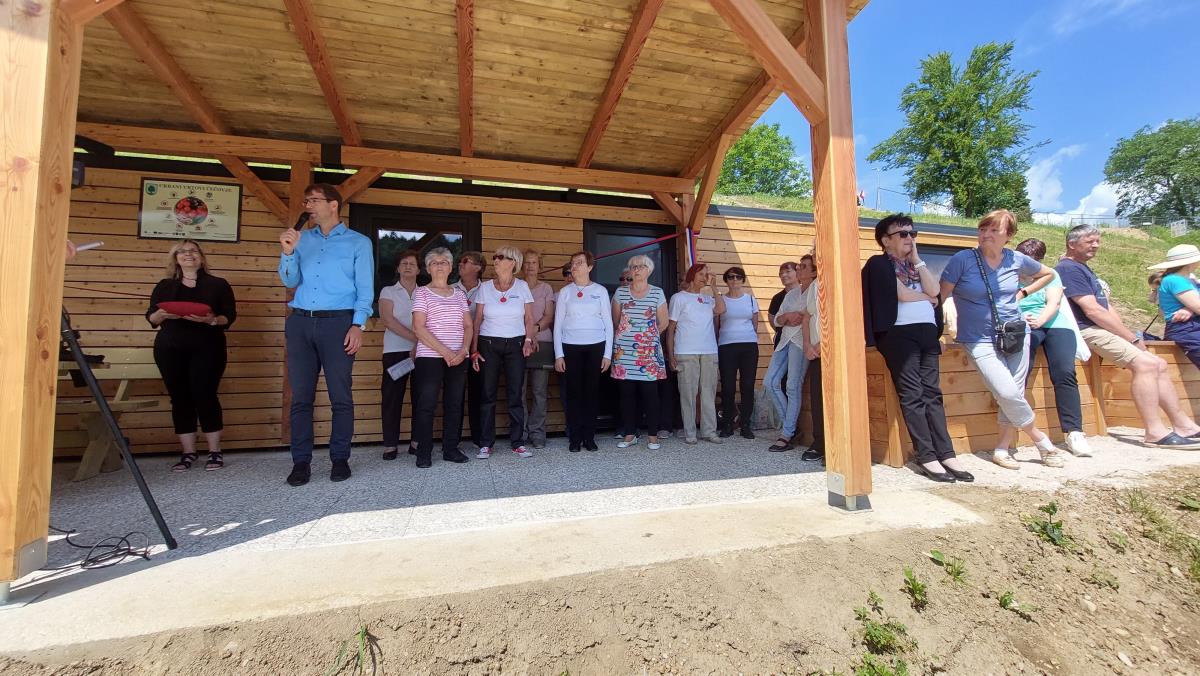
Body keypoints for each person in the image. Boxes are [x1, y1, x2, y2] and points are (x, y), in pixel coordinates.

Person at [940, 209, 1065, 470]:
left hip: (1016, 333)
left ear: (1008, 235)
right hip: (978, 338)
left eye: (993, 230)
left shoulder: (1016, 259)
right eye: (982, 229)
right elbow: (941, 295)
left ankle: (1001, 448)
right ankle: (1040, 440)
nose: (986, 234)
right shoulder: (962, 260)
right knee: (1006, 391)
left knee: (1014, 393)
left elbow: (1049, 274)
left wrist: (1023, 293)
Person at [1057, 226, 1200, 448]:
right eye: (1090, 241)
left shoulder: (1082, 268)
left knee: (1160, 364)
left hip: (1100, 328)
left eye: (1097, 241)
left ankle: (1185, 426)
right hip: (1088, 329)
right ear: (1072, 244)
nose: (1096, 245)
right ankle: (1154, 432)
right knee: (1146, 365)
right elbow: (1092, 311)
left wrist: (1128, 334)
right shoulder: (1068, 268)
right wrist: (1131, 338)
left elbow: (1106, 307)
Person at [861, 215, 969, 481]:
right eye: (902, 234)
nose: (909, 238)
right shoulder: (878, 264)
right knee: (912, 394)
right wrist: (926, 298)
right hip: (898, 334)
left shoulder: (916, 266)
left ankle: (946, 453)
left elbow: (936, 293)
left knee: (933, 393)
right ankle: (927, 455)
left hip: (926, 334)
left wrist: (918, 260)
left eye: (912, 233)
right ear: (886, 240)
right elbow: (902, 294)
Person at [278, 183, 373, 486]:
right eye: (306, 201)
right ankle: (300, 462)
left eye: (314, 200)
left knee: (340, 396)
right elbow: (289, 280)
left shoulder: (359, 243)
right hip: (301, 322)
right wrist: (288, 252)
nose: (308, 206)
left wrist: (358, 325)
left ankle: (340, 459)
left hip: (339, 324)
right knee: (301, 398)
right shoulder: (302, 239)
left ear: (333, 205)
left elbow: (365, 289)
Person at [146, 239, 237, 473]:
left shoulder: (218, 284)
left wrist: (212, 320)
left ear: (201, 257)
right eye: (182, 251)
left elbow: (229, 316)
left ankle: (214, 451)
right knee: (179, 398)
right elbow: (151, 318)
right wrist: (162, 314)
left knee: (205, 395)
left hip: (208, 347)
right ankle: (188, 452)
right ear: (175, 258)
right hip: (169, 348)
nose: (188, 254)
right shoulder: (165, 285)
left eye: (193, 251)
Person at [1014, 238, 1094, 458]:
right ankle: (1015, 426)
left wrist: (1040, 320)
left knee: (1065, 372)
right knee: (1020, 370)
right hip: (1023, 323)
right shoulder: (1010, 275)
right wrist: (1021, 318)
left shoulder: (1050, 275)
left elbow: (1053, 303)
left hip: (1053, 323)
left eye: (1032, 262)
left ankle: (1074, 432)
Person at [471, 246, 537, 459]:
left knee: (515, 394)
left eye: (501, 257)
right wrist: (473, 349)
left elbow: (529, 318)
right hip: (488, 344)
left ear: (513, 262)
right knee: (487, 394)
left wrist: (528, 340)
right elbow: (477, 320)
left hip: (516, 344)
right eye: (495, 257)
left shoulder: (522, 286)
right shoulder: (485, 287)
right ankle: (485, 443)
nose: (496, 260)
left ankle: (518, 442)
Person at [411, 248, 473, 468]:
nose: (439, 265)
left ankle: (450, 449)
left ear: (450, 267)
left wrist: (464, 350)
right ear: (428, 268)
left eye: (444, 262)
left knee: (454, 403)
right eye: (435, 262)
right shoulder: (422, 293)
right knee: (426, 404)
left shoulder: (459, 294)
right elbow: (418, 328)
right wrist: (446, 352)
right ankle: (423, 452)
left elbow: (468, 325)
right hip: (430, 357)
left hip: (458, 357)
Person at [554, 251, 613, 452]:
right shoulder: (565, 292)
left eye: (579, 262)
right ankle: (575, 438)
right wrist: (559, 354)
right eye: (573, 263)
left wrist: (607, 354)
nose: (575, 266)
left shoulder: (600, 291)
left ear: (589, 267)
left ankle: (589, 437)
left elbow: (608, 323)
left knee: (591, 393)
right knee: (574, 394)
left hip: (596, 346)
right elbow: (558, 325)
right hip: (571, 346)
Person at [611, 254, 669, 450]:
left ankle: (652, 436)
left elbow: (664, 322)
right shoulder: (620, 292)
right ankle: (630, 434)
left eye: (641, 266)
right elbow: (616, 321)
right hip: (624, 352)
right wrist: (629, 336)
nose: (636, 270)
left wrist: (647, 337)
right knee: (626, 395)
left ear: (649, 270)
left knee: (650, 395)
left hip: (648, 352)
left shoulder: (657, 293)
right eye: (633, 266)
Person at [668, 262, 726, 444]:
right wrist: (671, 355)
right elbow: (671, 329)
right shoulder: (679, 298)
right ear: (692, 276)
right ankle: (690, 432)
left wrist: (714, 288)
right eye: (701, 274)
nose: (704, 277)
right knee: (688, 393)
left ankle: (709, 431)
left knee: (708, 392)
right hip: (686, 352)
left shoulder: (708, 299)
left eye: (706, 274)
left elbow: (721, 309)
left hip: (709, 351)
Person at [765, 257, 813, 452]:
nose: (799, 269)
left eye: (803, 267)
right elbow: (777, 319)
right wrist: (786, 316)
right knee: (769, 382)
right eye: (798, 266)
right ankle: (791, 427)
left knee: (793, 386)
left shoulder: (816, 290)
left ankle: (786, 434)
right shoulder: (791, 294)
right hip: (784, 341)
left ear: (813, 272)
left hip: (801, 342)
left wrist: (798, 316)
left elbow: (810, 315)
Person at [378, 249, 420, 461]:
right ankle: (390, 444)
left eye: (412, 263)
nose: (408, 266)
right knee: (392, 398)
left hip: (422, 352)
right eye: (404, 263)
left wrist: (420, 344)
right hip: (395, 350)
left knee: (421, 397)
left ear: (419, 269)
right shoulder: (388, 291)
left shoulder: (425, 293)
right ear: (398, 268)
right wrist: (417, 339)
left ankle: (416, 442)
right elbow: (388, 320)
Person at [716, 266, 759, 439]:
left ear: (743, 280)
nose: (734, 280)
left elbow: (755, 324)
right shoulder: (721, 300)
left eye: (738, 277)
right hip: (727, 346)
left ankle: (745, 424)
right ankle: (727, 424)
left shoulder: (750, 300)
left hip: (749, 346)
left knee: (747, 386)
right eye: (731, 277)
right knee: (728, 387)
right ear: (726, 280)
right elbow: (716, 325)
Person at [520, 249, 555, 449]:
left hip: (542, 343)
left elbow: (549, 316)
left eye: (534, 262)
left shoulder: (546, 288)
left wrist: (533, 330)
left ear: (539, 266)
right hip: (519, 344)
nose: (530, 266)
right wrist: (527, 335)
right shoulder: (517, 286)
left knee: (539, 392)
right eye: (527, 262)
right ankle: (521, 432)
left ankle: (537, 433)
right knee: (519, 391)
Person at [1150, 244, 1200, 369]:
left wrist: (1189, 308)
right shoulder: (1176, 280)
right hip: (1188, 329)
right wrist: (1192, 309)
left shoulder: (1187, 280)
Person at [455, 251, 485, 448]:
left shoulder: (487, 290)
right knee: (454, 394)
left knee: (478, 393)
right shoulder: (450, 289)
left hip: (479, 347)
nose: (461, 264)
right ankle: (453, 439)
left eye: (466, 261)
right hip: (454, 346)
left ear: (478, 267)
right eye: (460, 261)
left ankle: (479, 438)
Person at [799, 258, 826, 462]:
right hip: (815, 353)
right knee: (817, 400)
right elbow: (807, 317)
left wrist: (823, 344)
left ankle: (839, 448)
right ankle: (820, 444)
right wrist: (808, 345)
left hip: (835, 352)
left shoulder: (836, 280)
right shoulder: (814, 286)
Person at [768, 262, 799, 347]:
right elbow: (772, 318)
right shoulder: (777, 298)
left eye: (788, 271)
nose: (783, 275)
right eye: (781, 273)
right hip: (782, 339)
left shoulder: (806, 292)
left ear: (798, 272)